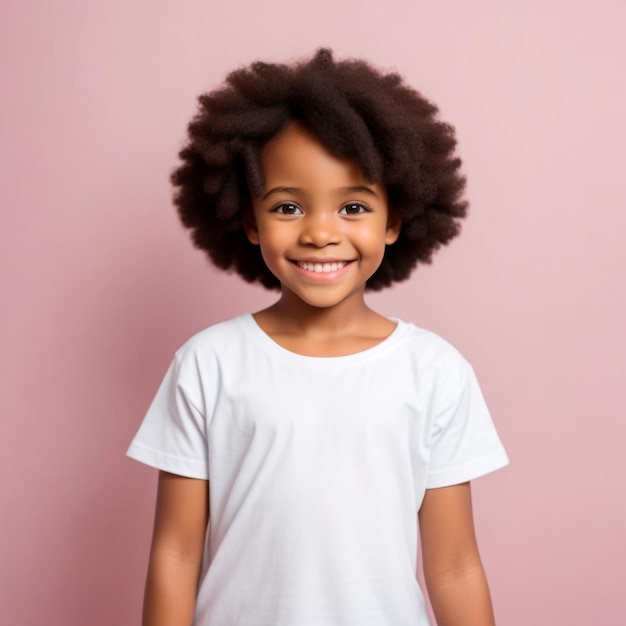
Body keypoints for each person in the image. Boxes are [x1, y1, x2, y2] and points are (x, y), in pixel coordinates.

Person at [127, 48, 509, 626]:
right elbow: (176, 552)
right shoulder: (209, 363)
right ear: (250, 221)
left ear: (394, 220)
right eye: (287, 206)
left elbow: (454, 564)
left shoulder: (434, 370)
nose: (322, 232)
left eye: (353, 206)